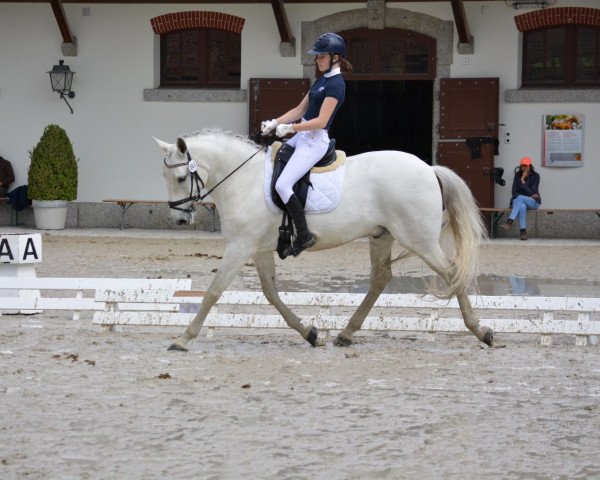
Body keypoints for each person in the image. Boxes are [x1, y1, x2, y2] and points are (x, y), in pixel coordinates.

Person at [261, 32, 352, 257]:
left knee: (283, 185)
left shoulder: (336, 85)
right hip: (301, 136)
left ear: (336, 57)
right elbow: (299, 111)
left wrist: (291, 128)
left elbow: (320, 121)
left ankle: (304, 235)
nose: (317, 60)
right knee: (269, 160)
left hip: (314, 141)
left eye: (321, 56)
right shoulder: (321, 81)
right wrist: (275, 122)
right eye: (317, 56)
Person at [501, 156, 541, 240]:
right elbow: (513, 192)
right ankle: (523, 233)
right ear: (520, 166)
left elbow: (532, 192)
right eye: (522, 166)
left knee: (520, 197)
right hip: (521, 201)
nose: (524, 167)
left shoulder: (536, 176)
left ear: (530, 166)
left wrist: (523, 180)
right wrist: (527, 196)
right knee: (521, 205)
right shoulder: (517, 175)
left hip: (533, 202)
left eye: (526, 165)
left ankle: (510, 221)